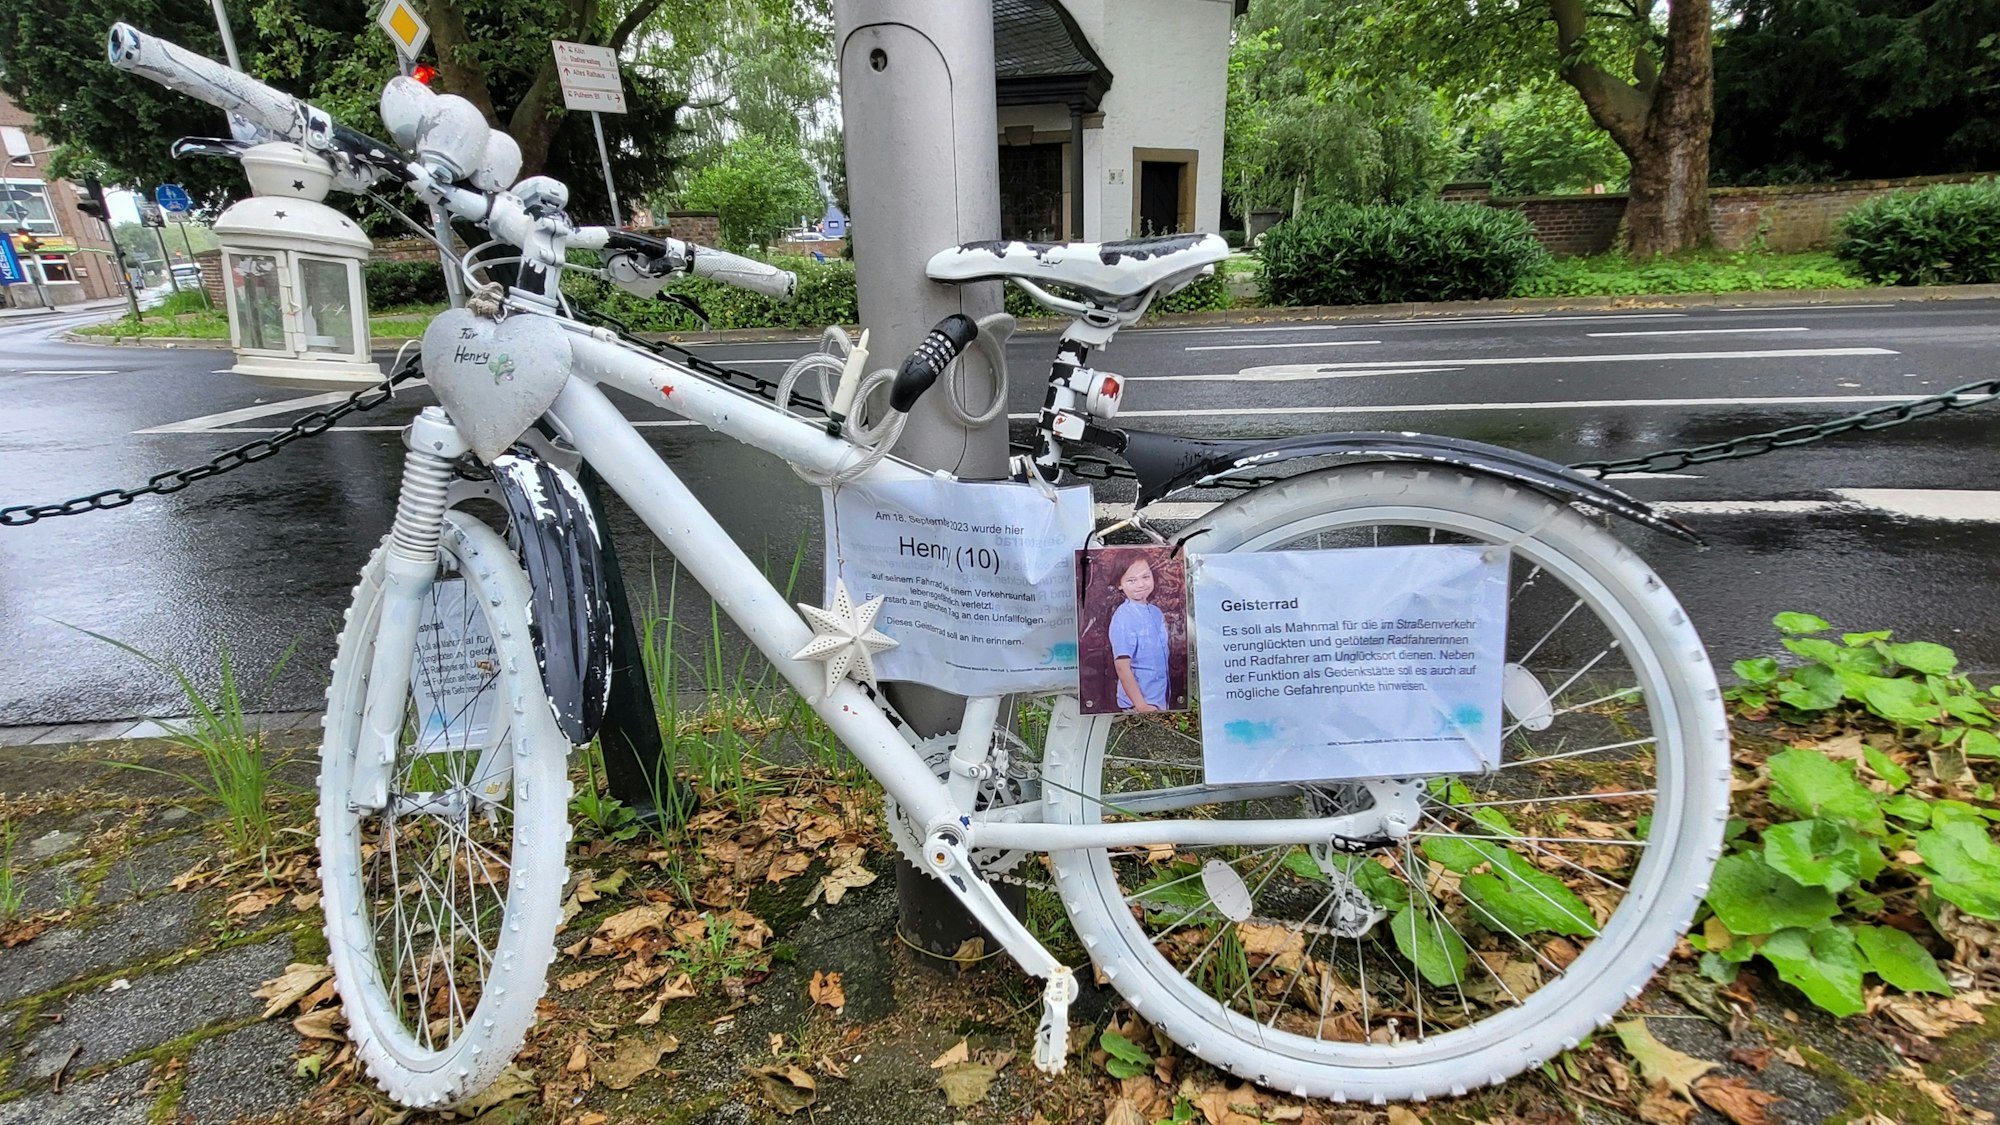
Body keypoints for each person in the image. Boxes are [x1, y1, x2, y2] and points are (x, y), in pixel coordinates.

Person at [1106, 552, 1169, 712]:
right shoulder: (1123, 617)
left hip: (1160, 700)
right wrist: (1141, 706)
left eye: (1145, 577)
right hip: (1139, 705)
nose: (1140, 584)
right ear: (1120, 584)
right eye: (1131, 580)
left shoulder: (1156, 612)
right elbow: (1122, 667)